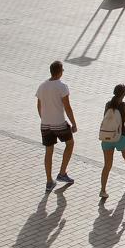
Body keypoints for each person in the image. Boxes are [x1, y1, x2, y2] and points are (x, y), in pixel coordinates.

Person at [37, 60, 77, 193]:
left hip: (45, 125)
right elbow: (67, 106)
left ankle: (49, 181)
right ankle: (62, 173)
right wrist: (74, 123)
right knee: (70, 143)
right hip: (59, 123)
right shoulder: (62, 86)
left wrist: (44, 118)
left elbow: (39, 106)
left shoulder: (42, 86)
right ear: (60, 72)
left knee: (49, 151)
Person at [98, 83, 125, 200]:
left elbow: (105, 120)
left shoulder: (107, 104)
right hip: (120, 137)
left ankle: (103, 189)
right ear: (124, 94)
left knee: (107, 165)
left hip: (107, 137)